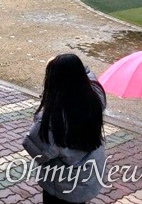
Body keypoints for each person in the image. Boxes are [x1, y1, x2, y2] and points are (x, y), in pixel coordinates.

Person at [23, 54, 106, 204]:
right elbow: (89, 76)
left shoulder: (52, 119)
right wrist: (71, 65)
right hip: (87, 178)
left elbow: (36, 150)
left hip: (61, 184)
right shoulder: (95, 98)